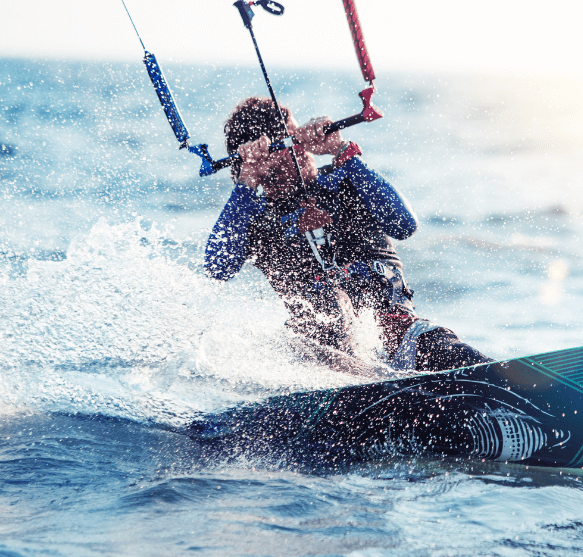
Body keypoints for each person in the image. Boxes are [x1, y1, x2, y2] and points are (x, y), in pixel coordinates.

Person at [204, 97, 490, 372]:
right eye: (288, 143)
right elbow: (216, 268)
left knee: (445, 349)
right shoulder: (254, 219)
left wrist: (340, 149)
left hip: (399, 336)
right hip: (326, 362)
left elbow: (404, 225)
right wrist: (246, 182)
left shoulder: (346, 178)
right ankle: (369, 386)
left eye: (298, 136)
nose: (301, 148)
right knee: (320, 320)